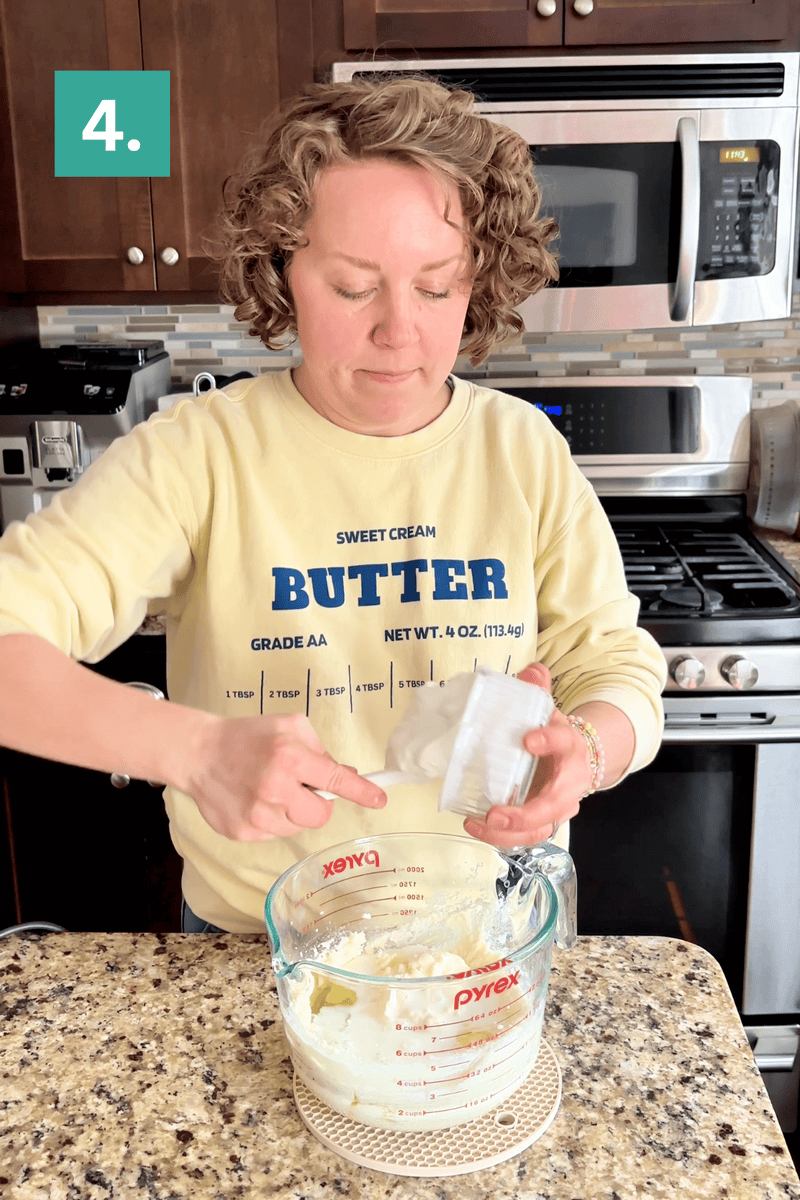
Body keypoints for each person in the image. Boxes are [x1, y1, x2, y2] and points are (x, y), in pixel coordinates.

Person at [0, 73, 666, 934]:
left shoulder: (523, 452)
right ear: (283, 271)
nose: (400, 330)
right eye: (353, 287)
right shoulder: (199, 455)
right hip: (258, 939)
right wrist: (194, 751)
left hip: (484, 935)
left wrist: (588, 751)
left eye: (438, 287)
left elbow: (613, 665)